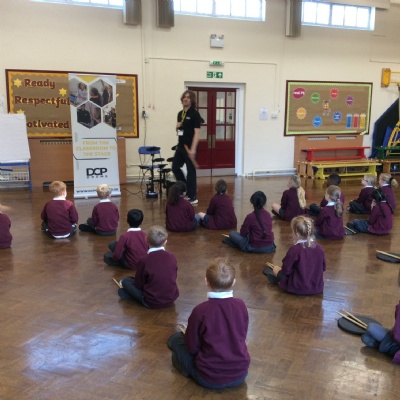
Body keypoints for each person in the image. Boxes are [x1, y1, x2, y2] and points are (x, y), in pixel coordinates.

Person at [167, 257, 250, 389]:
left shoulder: (200, 310)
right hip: (240, 375)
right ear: (234, 282)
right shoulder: (241, 305)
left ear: (206, 281)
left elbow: (192, 348)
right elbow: (241, 334)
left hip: (209, 378)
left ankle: (187, 369)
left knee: (175, 340)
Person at [117, 225, 179, 308]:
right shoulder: (172, 256)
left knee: (126, 281)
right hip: (171, 298)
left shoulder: (144, 260)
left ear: (146, 239)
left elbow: (139, 284)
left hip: (151, 301)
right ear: (165, 242)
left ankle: (132, 295)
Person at [263, 216, 326, 295]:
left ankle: (280, 282)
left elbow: (286, 271)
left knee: (276, 269)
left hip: (297, 288)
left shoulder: (295, 249)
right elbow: (323, 268)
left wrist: (278, 270)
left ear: (297, 234)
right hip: (316, 287)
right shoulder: (319, 248)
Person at [172, 90, 202, 204]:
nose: (186, 99)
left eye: (188, 97)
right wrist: (177, 127)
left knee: (191, 171)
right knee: (175, 168)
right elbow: (179, 131)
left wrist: (193, 149)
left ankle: (192, 197)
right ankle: (185, 187)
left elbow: (197, 133)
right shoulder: (180, 114)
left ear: (192, 100)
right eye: (184, 97)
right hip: (181, 146)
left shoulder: (195, 114)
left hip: (190, 147)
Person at [361, 301, 400, 365]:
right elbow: (397, 331)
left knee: (368, 332)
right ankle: (382, 346)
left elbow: (397, 336)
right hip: (390, 337)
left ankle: (382, 346)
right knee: (367, 333)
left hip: (392, 346)